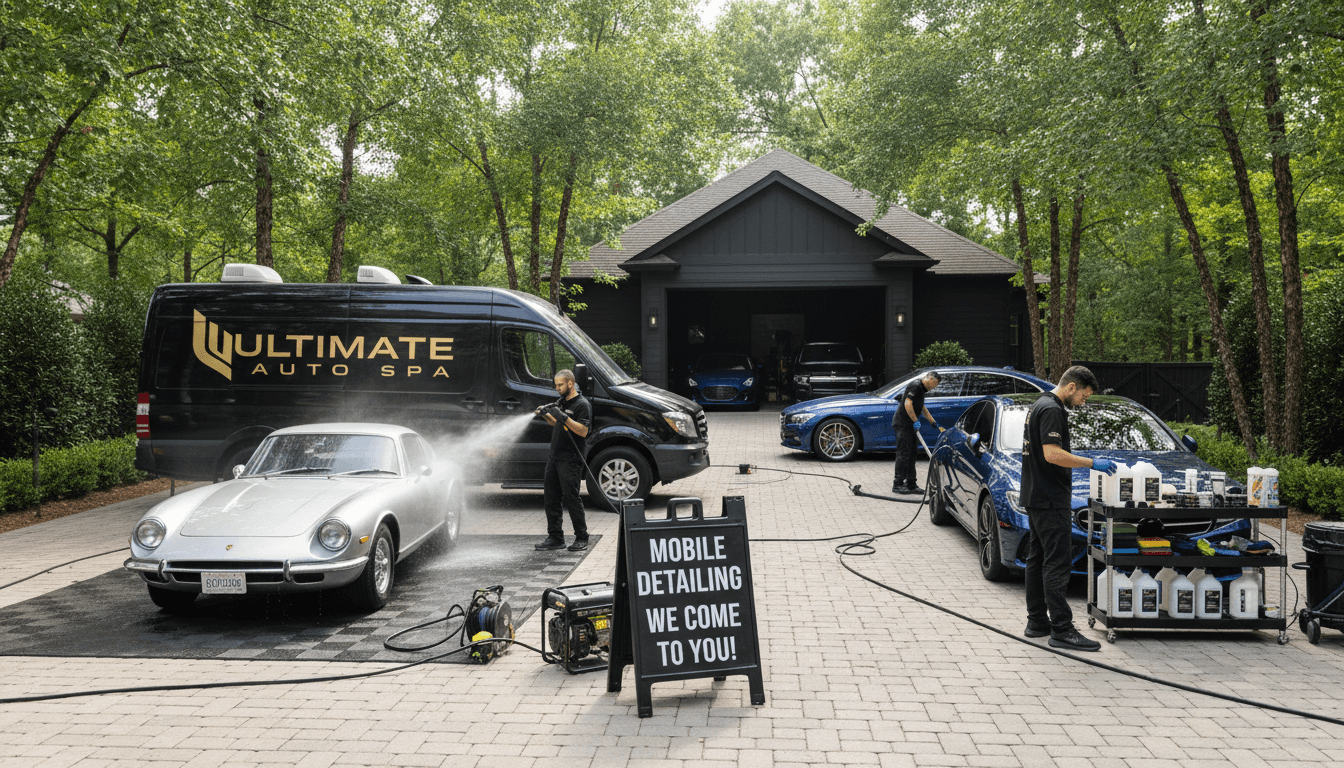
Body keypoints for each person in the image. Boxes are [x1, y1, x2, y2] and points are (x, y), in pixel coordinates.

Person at [1021, 365, 1117, 652]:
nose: (1083, 402)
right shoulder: (1052, 409)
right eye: (1084, 396)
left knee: (1037, 559)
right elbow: (1051, 454)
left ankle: (1037, 622)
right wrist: (1091, 463)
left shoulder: (1038, 404)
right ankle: (1061, 629)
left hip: (1035, 494)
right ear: (1072, 386)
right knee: (1057, 563)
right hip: (1050, 498)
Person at [534, 369, 593, 552]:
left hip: (570, 459)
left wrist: (564, 417)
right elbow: (554, 422)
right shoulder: (562, 401)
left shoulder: (582, 404)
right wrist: (545, 414)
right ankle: (555, 538)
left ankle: (582, 537)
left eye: (560, 384)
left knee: (571, 498)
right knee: (551, 498)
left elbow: (583, 430)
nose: (557, 388)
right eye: (556, 384)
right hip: (555, 457)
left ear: (570, 383)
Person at [891, 371, 945, 494]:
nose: (933, 387)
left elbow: (922, 407)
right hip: (903, 424)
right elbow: (907, 403)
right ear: (929, 378)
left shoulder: (921, 390)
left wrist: (933, 422)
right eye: (934, 384)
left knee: (912, 453)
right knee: (904, 453)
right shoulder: (915, 385)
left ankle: (911, 484)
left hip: (910, 426)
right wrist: (915, 420)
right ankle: (898, 484)